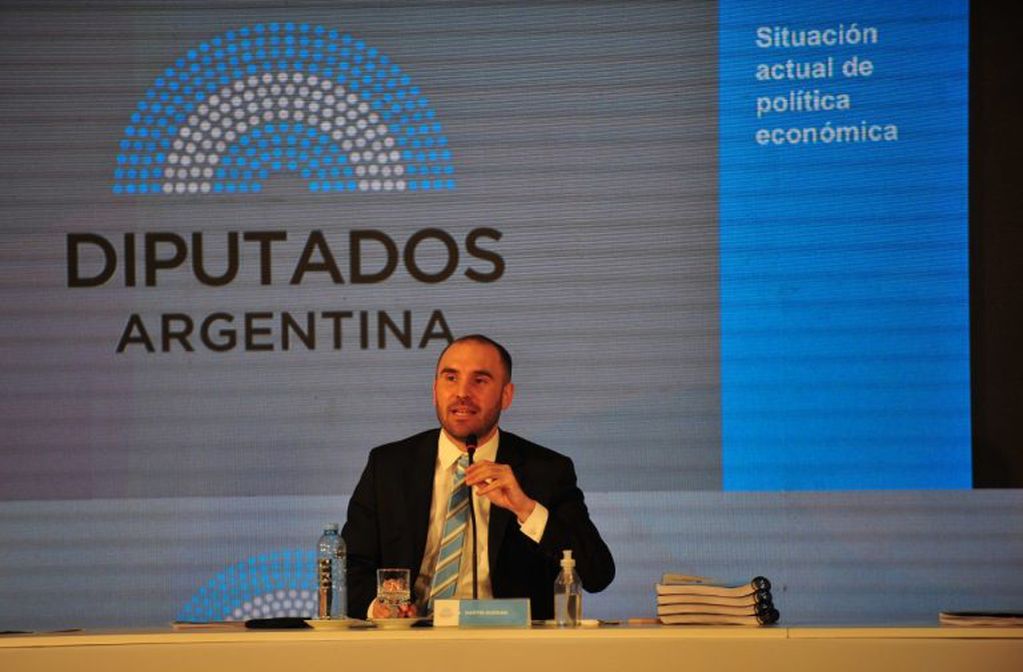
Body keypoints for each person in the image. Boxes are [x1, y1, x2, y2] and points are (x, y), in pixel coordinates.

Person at [341, 334, 614, 620]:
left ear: (506, 396)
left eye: (479, 381)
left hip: (511, 649)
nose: (462, 393)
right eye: (450, 378)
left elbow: (598, 574)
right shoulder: (389, 466)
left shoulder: (545, 470)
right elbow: (349, 567)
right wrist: (379, 608)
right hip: (410, 643)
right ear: (434, 390)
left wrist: (527, 509)